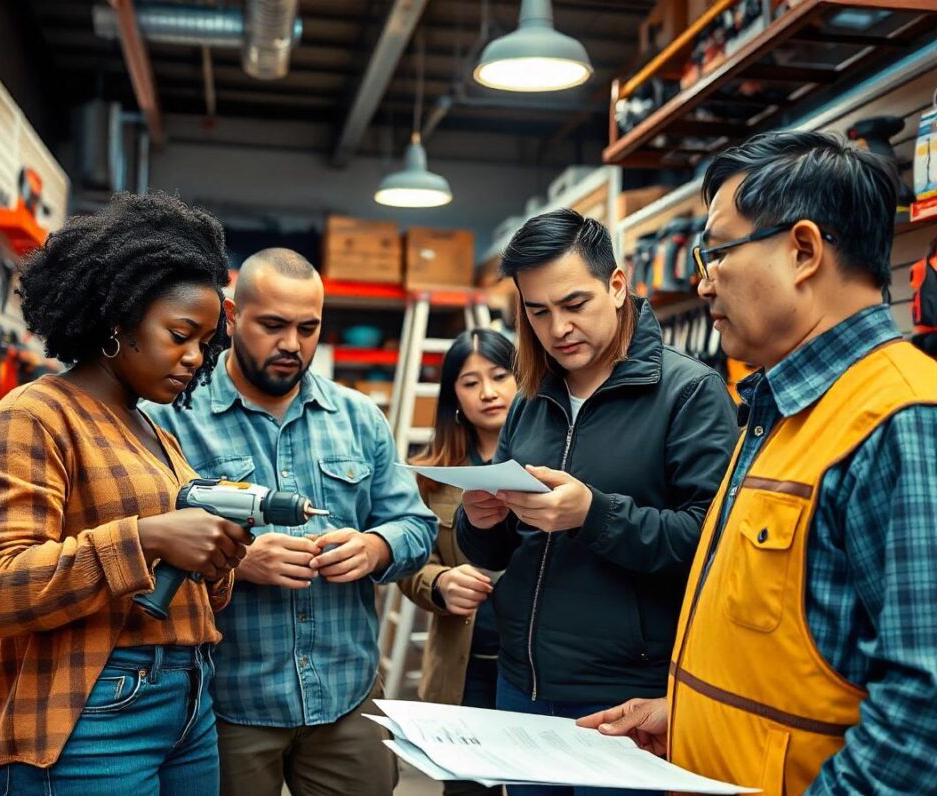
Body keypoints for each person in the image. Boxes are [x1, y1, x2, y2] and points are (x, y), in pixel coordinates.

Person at [579, 131, 937, 795]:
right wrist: (694, 717)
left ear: (802, 250)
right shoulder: (778, 409)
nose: (700, 279)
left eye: (716, 252)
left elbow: (923, 715)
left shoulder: (900, 419)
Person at [0, 192, 250, 795]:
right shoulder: (36, 416)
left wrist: (216, 556)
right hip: (91, 712)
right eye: (180, 335)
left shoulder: (154, 431)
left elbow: (184, 581)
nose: (196, 358)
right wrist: (148, 537)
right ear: (118, 321)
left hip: (188, 700)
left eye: (205, 342)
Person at [457, 209, 738, 796]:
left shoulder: (690, 392)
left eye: (574, 304)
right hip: (523, 686)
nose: (557, 328)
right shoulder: (531, 400)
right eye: (538, 312)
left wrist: (593, 514)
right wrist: (481, 521)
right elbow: (502, 548)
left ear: (616, 285)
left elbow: (712, 545)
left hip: (624, 700)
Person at [145, 248, 438, 796]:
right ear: (232, 318)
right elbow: (138, 545)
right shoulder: (172, 419)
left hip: (346, 701)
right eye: (273, 325)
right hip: (228, 704)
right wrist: (234, 561)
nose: (291, 345)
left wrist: (375, 548)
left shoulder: (358, 418)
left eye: (308, 328)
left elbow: (415, 526)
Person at [398, 328, 518, 796]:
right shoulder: (433, 476)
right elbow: (409, 562)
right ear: (454, 397)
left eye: (499, 375)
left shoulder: (553, 463)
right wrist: (441, 582)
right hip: (462, 673)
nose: (488, 392)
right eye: (470, 382)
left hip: (532, 670)